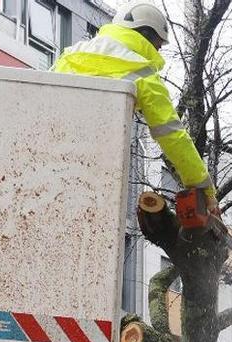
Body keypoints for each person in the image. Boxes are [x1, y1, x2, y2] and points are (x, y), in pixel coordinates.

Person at [52, 1, 217, 212]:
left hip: (52, 158)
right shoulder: (143, 72)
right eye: (158, 45)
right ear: (146, 33)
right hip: (97, 169)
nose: (158, 52)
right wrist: (205, 189)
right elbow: (173, 136)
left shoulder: (71, 54)